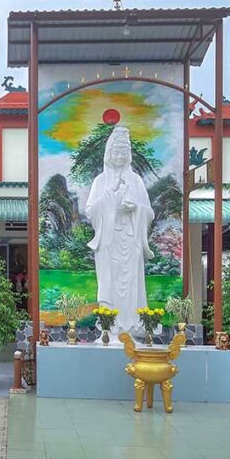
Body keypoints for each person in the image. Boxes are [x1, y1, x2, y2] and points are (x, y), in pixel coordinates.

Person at [84, 126, 156, 338]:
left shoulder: (136, 181)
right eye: (116, 152)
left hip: (130, 239)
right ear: (109, 153)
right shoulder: (101, 181)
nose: (120, 157)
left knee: (131, 283)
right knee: (109, 282)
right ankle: (109, 326)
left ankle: (132, 326)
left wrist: (135, 208)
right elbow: (91, 211)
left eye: (124, 153)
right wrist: (111, 195)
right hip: (109, 239)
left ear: (129, 155)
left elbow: (149, 213)